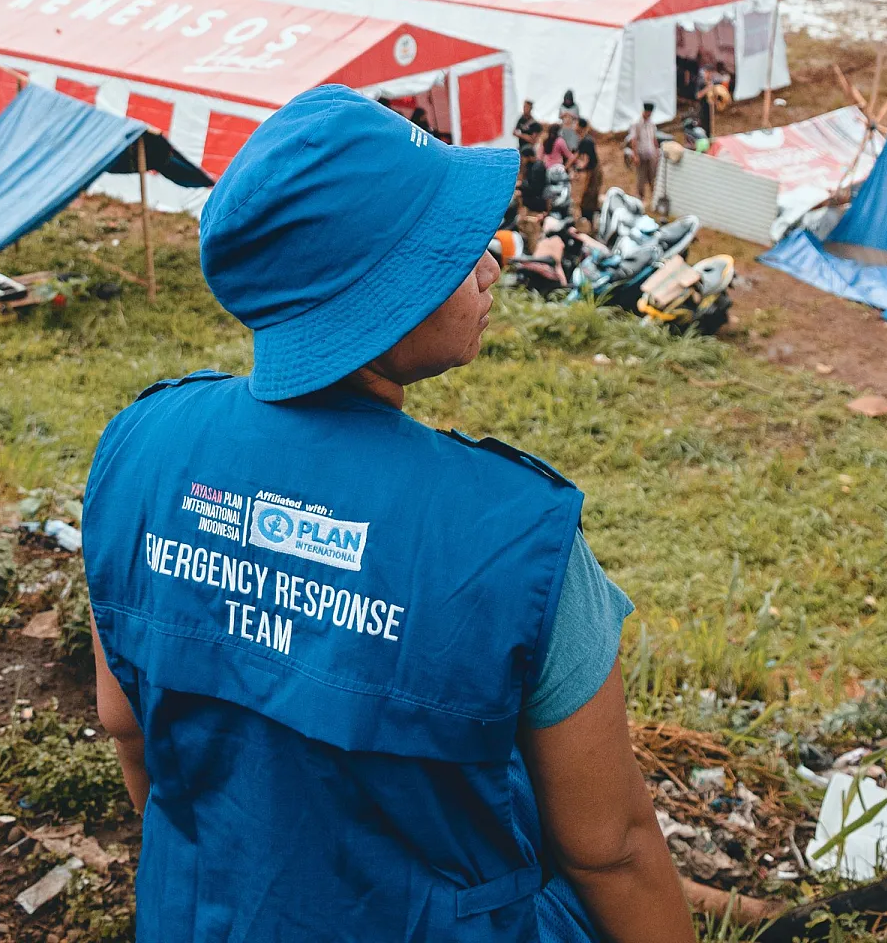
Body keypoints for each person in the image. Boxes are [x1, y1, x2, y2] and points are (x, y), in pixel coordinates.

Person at [84, 86, 694, 942]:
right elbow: (614, 849)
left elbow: (128, 727)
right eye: (448, 254)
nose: (488, 267)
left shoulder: (140, 449)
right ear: (374, 300)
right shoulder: (519, 540)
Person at [626, 101, 660, 204]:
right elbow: (634, 140)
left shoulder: (651, 123)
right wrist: (635, 155)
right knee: (641, 177)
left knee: (653, 177)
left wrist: (657, 150)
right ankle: (640, 199)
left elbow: (653, 138)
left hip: (651, 153)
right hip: (641, 153)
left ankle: (654, 198)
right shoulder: (636, 123)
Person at [574, 116, 603, 224]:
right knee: (590, 196)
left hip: (593, 172)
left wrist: (577, 168)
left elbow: (585, 160)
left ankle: (589, 221)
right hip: (593, 170)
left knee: (589, 197)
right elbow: (577, 155)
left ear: (580, 127)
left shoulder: (586, 141)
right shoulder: (584, 139)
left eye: (576, 124)